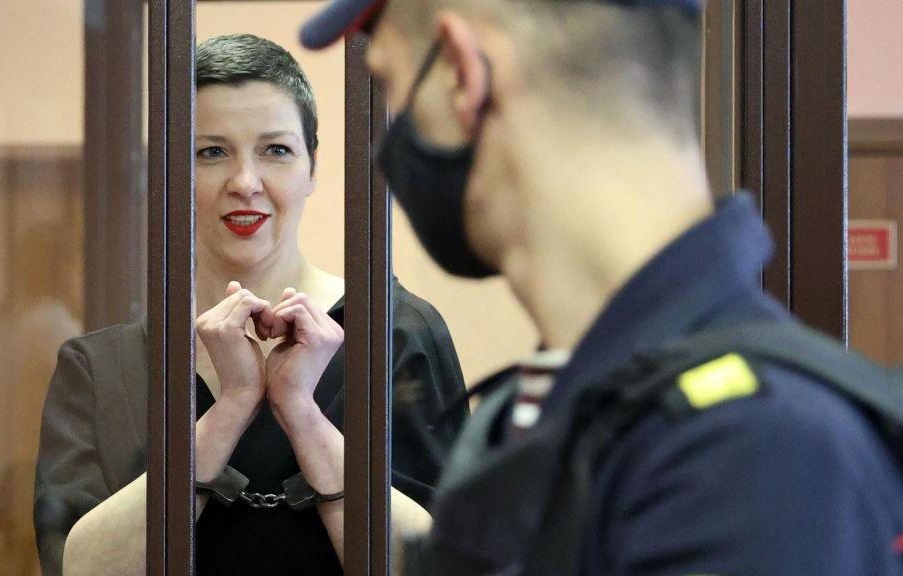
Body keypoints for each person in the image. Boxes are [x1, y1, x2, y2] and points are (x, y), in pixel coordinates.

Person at [299, 1, 903, 575]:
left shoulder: (752, 445)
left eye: (392, 87)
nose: (391, 141)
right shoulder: (548, 407)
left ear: (462, 71)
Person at [34, 33, 467, 576]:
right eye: (211, 152)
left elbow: (451, 563)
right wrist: (231, 408)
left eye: (276, 150)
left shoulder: (398, 333)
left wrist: (303, 415)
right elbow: (75, 568)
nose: (245, 182)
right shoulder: (101, 367)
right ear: (170, 173)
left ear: (313, 168)